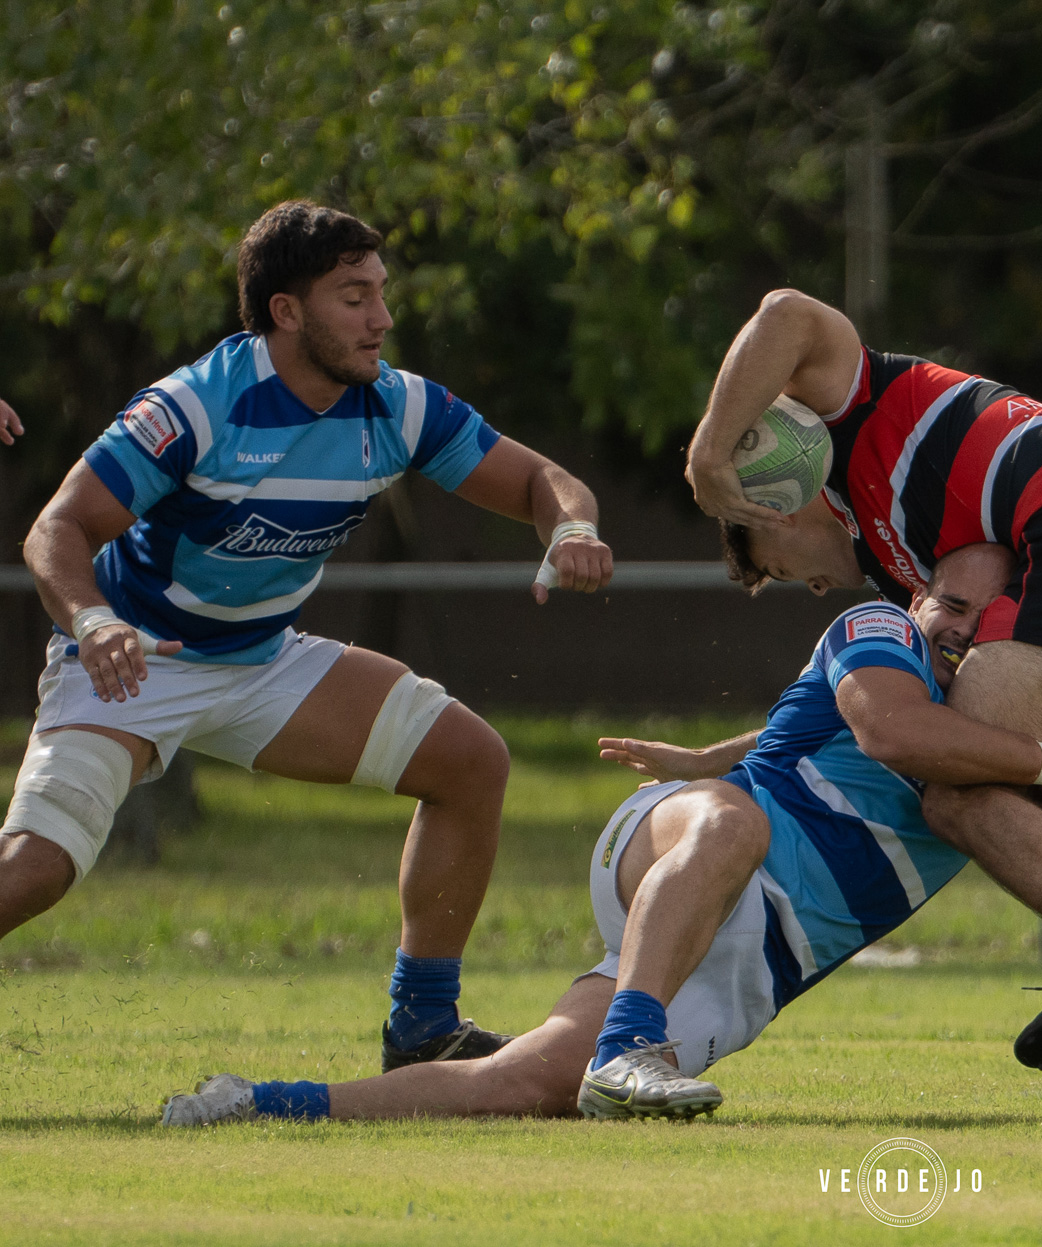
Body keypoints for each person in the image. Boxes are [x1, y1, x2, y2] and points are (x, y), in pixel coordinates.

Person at [161, 544, 1042, 1125]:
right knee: (738, 817)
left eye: (987, 615)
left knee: (526, 1081)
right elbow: (887, 724)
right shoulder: (876, 627)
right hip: (686, 840)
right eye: (949, 596)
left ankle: (259, 1102)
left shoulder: (1008, 733)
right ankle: (632, 1048)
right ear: (919, 588)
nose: (957, 622)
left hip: (755, 958)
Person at [3, 201, 613, 1071]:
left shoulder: (395, 405)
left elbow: (541, 481)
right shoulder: (196, 405)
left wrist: (572, 530)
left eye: (381, 293)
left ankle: (423, 1028)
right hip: (137, 664)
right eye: (354, 297)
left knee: (471, 761)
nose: (383, 319)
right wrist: (94, 623)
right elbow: (56, 528)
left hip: (261, 662)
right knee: (35, 870)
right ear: (287, 312)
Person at [684, 289, 1042, 1119]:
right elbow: (885, 709)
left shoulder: (856, 406)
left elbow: (783, 311)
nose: (811, 584)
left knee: (952, 783)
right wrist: (720, 755)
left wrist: (710, 453)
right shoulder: (904, 561)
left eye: (776, 562)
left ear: (779, 489)